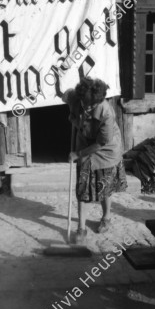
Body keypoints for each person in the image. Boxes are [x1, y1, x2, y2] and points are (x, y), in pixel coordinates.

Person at [62, 77, 127, 243]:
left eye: (93, 105)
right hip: (84, 141)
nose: (89, 108)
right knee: (82, 189)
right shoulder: (75, 98)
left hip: (106, 150)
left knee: (104, 187)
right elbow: (66, 95)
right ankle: (81, 228)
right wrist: (72, 113)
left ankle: (106, 218)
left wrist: (78, 154)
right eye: (86, 103)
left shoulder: (107, 113)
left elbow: (101, 142)